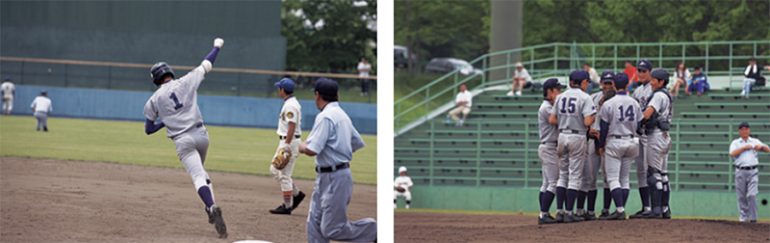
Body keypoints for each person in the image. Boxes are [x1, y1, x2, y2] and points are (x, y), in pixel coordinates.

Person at [143, 38, 227, 238]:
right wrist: (217, 46)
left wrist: (166, 121)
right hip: (201, 135)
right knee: (203, 174)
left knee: (198, 177)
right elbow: (207, 64)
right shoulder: (186, 80)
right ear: (170, 73)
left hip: (182, 141)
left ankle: (211, 206)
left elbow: (149, 129)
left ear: (156, 79)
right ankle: (210, 209)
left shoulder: (154, 99)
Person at [299, 78, 377, 242]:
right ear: (337, 95)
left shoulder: (326, 116)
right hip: (331, 174)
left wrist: (298, 146)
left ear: (317, 95)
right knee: (314, 222)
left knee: (332, 229)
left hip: (335, 177)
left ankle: (374, 231)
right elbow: (356, 142)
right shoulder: (342, 115)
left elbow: (312, 150)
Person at [548, 70, 596, 223]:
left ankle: (560, 211)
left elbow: (552, 119)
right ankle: (569, 212)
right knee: (575, 176)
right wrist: (592, 117)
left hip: (562, 135)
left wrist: (566, 121)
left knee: (563, 175)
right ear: (582, 82)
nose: (587, 84)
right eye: (586, 82)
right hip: (577, 135)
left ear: (570, 82)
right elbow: (587, 122)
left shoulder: (560, 97)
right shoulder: (585, 97)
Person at [596, 72, 641, 220]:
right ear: (627, 84)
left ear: (614, 85)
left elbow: (603, 127)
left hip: (615, 141)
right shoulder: (635, 102)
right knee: (625, 179)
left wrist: (601, 145)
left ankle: (620, 210)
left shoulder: (609, 103)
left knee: (613, 178)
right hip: (631, 140)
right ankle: (620, 208)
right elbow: (640, 124)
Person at [578, 71, 615, 220]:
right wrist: (588, 130)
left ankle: (606, 210)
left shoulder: (618, 100)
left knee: (608, 177)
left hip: (609, 141)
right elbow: (583, 117)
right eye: (604, 83)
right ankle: (590, 211)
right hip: (593, 139)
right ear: (600, 83)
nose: (607, 86)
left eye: (609, 83)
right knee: (590, 176)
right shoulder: (592, 97)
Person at [638, 69, 674, 219]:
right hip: (665, 136)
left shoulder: (658, 95)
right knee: (663, 175)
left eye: (654, 80)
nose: (651, 82)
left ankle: (656, 209)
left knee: (653, 174)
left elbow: (647, 114)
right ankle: (665, 209)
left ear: (661, 82)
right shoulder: (667, 95)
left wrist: (638, 122)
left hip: (656, 135)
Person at [268, 78, 307, 215]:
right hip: (287, 141)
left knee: (284, 175)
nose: (278, 90)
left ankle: (287, 206)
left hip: (288, 142)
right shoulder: (290, 103)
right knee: (274, 169)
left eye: (279, 88)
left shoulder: (290, 105)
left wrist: (286, 146)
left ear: (283, 90)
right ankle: (296, 194)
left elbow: (292, 126)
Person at [536, 78, 565, 225]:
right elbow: (556, 121)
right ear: (550, 91)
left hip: (548, 146)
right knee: (553, 182)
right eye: (557, 90)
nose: (559, 92)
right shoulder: (546, 107)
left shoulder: (548, 106)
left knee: (547, 183)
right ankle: (543, 214)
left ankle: (543, 213)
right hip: (549, 147)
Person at [729, 122, 770, 223]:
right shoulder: (736, 142)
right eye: (742, 129)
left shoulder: (754, 141)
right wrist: (743, 148)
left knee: (752, 195)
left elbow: (767, 149)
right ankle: (743, 217)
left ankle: (753, 218)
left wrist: (760, 147)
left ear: (749, 130)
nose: (745, 131)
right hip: (740, 170)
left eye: (746, 129)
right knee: (741, 196)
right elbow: (732, 153)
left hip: (753, 171)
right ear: (739, 131)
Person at [629, 59, 653, 219]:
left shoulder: (655, 89)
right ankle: (646, 207)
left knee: (653, 171)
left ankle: (657, 207)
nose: (641, 73)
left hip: (652, 134)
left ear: (650, 72)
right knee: (641, 172)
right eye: (639, 70)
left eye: (644, 70)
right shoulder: (637, 91)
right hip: (640, 134)